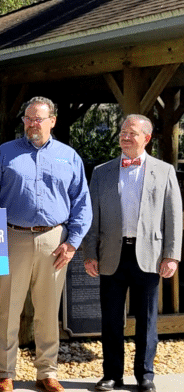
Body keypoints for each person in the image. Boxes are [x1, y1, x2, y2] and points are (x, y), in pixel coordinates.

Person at [0, 96, 91, 392]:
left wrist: (72, 243)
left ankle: (47, 373)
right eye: (27, 118)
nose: (31, 124)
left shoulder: (69, 157)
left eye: (37, 119)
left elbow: (82, 203)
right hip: (12, 236)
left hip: (54, 240)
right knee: (7, 310)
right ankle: (5, 373)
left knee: (47, 309)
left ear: (52, 121)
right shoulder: (5, 154)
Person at [83, 114, 182, 392]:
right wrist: (90, 253)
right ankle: (111, 375)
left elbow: (173, 216)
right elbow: (93, 217)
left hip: (149, 255)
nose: (125, 137)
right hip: (112, 255)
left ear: (146, 138)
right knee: (111, 319)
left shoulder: (164, 171)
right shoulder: (102, 172)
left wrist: (171, 255)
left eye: (132, 133)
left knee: (147, 320)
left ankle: (145, 375)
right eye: (123, 132)